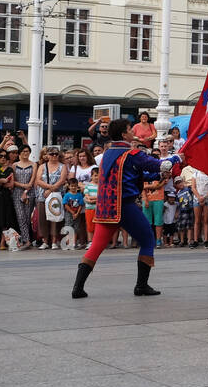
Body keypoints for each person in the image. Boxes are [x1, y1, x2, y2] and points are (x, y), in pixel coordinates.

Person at [71, 117, 182, 299]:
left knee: (96, 246)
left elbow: (133, 175)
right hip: (124, 205)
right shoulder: (131, 154)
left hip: (106, 206)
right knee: (147, 239)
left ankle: (77, 287)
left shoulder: (107, 154)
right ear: (124, 134)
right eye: (131, 129)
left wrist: (159, 173)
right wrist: (176, 157)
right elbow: (161, 164)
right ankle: (141, 285)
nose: (134, 132)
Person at [33, 146, 67, 249]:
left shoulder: (63, 166)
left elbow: (62, 180)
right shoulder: (42, 166)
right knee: (43, 218)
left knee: (55, 218)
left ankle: (54, 240)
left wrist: (50, 190)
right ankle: (45, 240)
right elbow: (38, 180)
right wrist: (49, 188)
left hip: (56, 195)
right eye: (52, 154)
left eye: (56, 154)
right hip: (42, 195)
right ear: (47, 155)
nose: (54, 156)